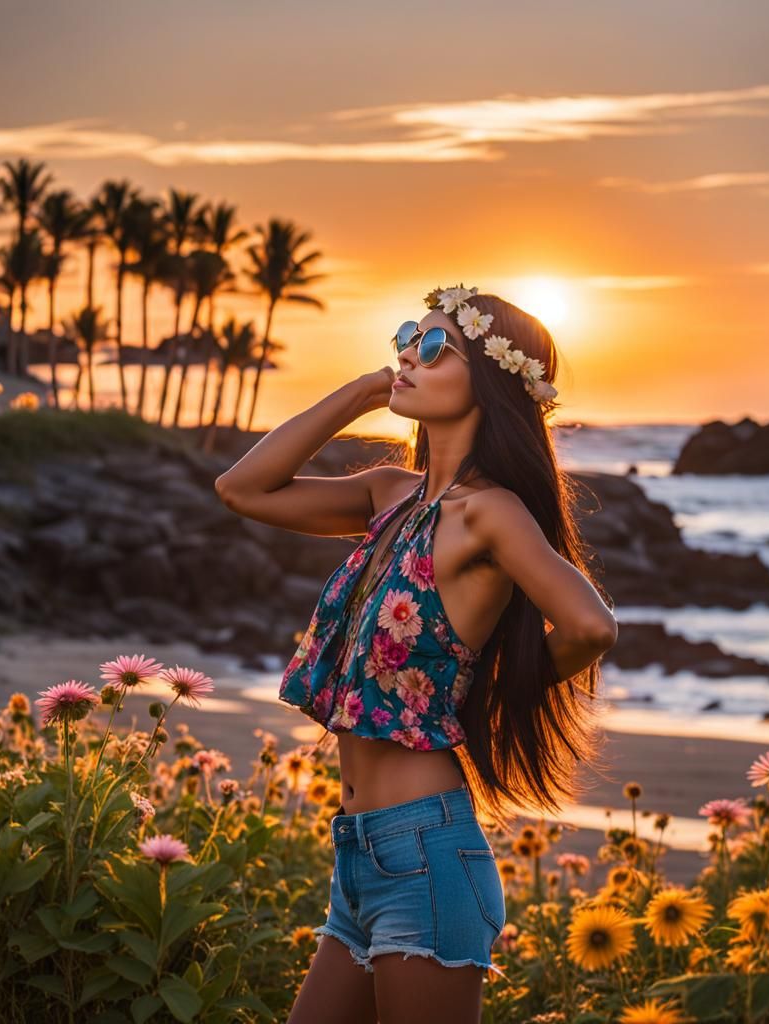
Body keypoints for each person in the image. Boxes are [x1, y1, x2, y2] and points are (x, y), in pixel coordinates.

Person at [215, 283, 618, 1024]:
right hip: (363, 856)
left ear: (490, 384)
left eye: (435, 347)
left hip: (426, 853)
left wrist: (485, 699)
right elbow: (241, 488)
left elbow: (591, 626)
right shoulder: (388, 496)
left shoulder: (488, 512)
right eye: (407, 336)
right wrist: (369, 389)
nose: (409, 353)